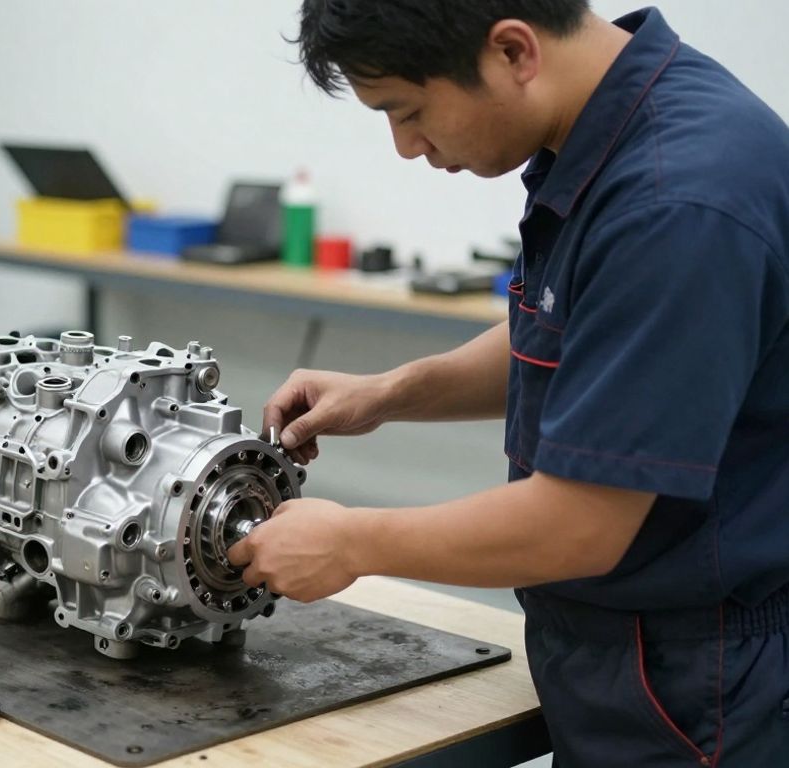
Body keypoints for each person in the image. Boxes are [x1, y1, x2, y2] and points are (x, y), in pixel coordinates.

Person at [226, 2, 789, 764]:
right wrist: (392, 391)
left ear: (513, 51)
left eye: (409, 111)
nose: (406, 146)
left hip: (701, 684)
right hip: (626, 652)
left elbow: (579, 523)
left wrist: (352, 540)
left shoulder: (677, 199)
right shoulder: (609, 132)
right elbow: (575, 333)